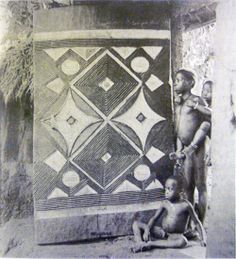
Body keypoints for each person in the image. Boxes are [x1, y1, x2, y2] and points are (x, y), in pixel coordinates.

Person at [170, 69, 208, 223]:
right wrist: (179, 149)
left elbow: (206, 124)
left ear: (190, 83)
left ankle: (202, 222)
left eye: (179, 80)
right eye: (176, 80)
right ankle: (192, 225)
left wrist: (193, 145)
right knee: (187, 187)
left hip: (197, 149)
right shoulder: (178, 103)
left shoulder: (197, 101)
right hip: (185, 151)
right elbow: (179, 129)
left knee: (201, 186)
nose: (176, 83)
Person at [131, 176, 206, 253]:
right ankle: (139, 243)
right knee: (136, 224)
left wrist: (203, 238)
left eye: (169, 189)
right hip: (162, 232)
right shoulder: (165, 203)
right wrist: (147, 230)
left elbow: (197, 222)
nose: (166, 192)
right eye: (165, 189)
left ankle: (151, 244)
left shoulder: (185, 205)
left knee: (183, 241)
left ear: (181, 192)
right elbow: (154, 218)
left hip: (176, 236)